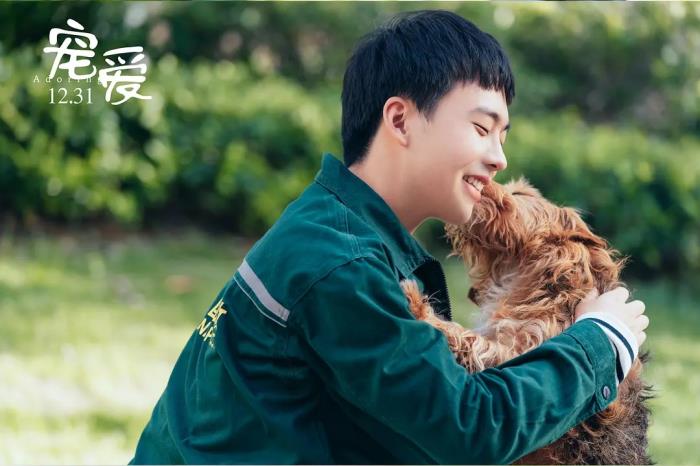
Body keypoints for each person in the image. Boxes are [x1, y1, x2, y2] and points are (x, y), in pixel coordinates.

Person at [130, 9, 649, 464]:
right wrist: (600, 344)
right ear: (400, 120)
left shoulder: (335, 231)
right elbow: (469, 429)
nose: (498, 158)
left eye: (502, 136)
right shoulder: (341, 264)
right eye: (481, 128)